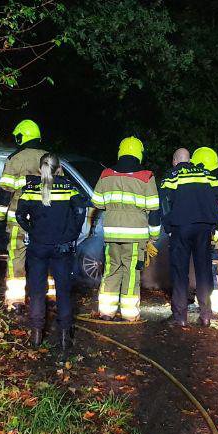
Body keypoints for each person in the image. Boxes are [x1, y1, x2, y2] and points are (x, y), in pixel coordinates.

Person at [16, 153, 89, 350]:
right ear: (59, 169)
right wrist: (71, 234)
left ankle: (36, 335)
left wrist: (33, 230)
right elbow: (80, 211)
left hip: (38, 247)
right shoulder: (69, 188)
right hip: (62, 248)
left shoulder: (31, 189)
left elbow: (20, 215)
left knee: (37, 291)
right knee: (63, 291)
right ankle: (65, 338)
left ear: (40, 169)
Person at [91, 137, 161, 321]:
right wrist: (154, 236)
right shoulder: (146, 177)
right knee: (131, 273)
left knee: (111, 270)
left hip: (111, 234)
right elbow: (154, 210)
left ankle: (106, 312)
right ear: (139, 153)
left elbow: (97, 202)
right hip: (136, 236)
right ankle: (129, 314)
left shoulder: (106, 174)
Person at [160, 146, 218, 327]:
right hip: (204, 228)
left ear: (175, 161)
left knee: (180, 271)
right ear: (189, 160)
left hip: (180, 227)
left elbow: (163, 203)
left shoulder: (171, 176)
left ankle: (180, 317)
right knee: (204, 270)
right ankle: (206, 315)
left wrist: (167, 227)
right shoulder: (206, 174)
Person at [0, 119, 48, 308]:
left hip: (18, 220)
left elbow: (5, 194)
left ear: (21, 137)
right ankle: (46, 297)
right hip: (44, 221)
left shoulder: (15, 159)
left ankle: (16, 301)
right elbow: (61, 192)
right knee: (44, 257)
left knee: (16, 258)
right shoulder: (50, 159)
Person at [193, 147, 218, 320]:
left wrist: (214, 235)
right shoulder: (216, 181)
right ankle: (205, 302)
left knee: (215, 265)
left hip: (216, 232)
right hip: (213, 231)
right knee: (209, 265)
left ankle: (217, 306)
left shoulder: (213, 184)